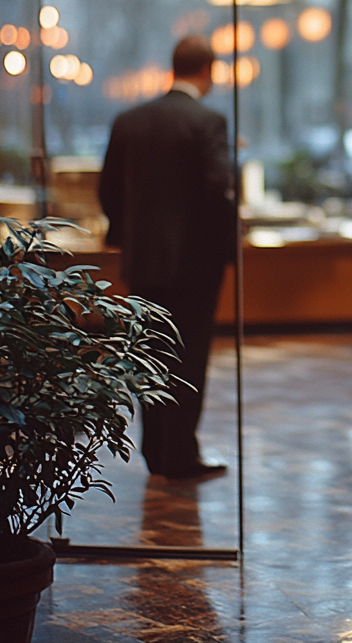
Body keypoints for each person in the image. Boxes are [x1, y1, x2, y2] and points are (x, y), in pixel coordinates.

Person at [99, 35, 236, 479]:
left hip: (143, 263)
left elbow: (107, 190)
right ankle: (180, 454)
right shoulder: (208, 121)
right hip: (194, 266)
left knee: (151, 355)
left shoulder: (130, 119)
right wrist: (227, 247)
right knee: (188, 356)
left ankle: (155, 450)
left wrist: (128, 235)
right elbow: (218, 191)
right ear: (208, 71)